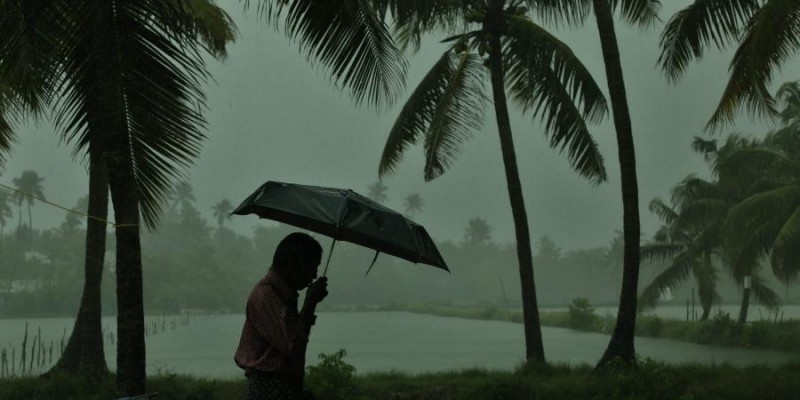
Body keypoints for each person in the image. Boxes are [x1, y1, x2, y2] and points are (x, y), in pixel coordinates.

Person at [235, 232, 329, 399]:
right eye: (312, 267)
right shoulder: (266, 297)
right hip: (269, 389)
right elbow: (293, 347)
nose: (314, 275)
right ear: (295, 264)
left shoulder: (283, 296)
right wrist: (310, 305)